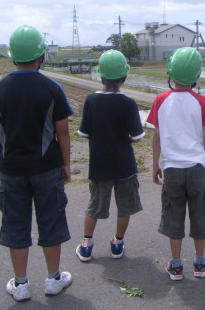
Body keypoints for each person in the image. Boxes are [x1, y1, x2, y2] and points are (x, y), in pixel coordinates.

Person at [0, 25, 73, 302]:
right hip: (47, 168)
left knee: (16, 224)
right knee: (51, 220)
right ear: (41, 56)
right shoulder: (51, 88)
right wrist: (66, 165)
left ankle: (20, 284)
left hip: (12, 170)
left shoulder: (0, 88)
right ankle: (54, 279)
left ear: (13, 56)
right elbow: (63, 131)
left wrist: (3, 159)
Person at [147, 47, 205, 281]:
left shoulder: (160, 100)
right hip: (197, 168)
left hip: (172, 170)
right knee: (200, 214)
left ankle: (176, 266)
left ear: (171, 72)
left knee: (173, 215)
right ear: (196, 75)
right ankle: (200, 263)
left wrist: (155, 164)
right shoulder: (202, 102)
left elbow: (157, 137)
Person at [75, 50, 145, 262]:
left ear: (100, 75)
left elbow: (84, 133)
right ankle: (117, 244)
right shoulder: (129, 103)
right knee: (124, 207)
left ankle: (86, 246)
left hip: (100, 165)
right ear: (124, 77)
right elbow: (138, 136)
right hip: (125, 165)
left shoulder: (91, 101)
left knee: (95, 206)